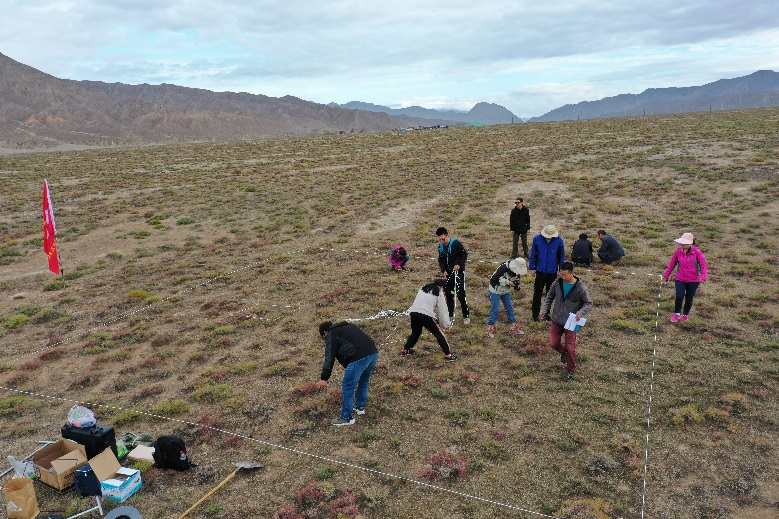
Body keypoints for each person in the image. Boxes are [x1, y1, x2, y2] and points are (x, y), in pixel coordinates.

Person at [319, 321, 379, 426]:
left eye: (324, 337)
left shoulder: (332, 334)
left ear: (325, 332)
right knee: (363, 380)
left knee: (347, 386)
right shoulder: (348, 326)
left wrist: (324, 378)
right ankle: (360, 406)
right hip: (373, 353)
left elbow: (329, 357)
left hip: (360, 358)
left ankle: (346, 417)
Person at [539, 262, 592, 382]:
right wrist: (544, 309)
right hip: (557, 319)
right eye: (560, 274)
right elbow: (549, 297)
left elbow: (588, 303)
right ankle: (564, 352)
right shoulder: (557, 283)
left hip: (572, 321)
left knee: (571, 347)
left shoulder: (581, 287)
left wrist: (581, 312)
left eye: (565, 275)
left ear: (572, 273)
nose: (563, 277)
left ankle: (570, 370)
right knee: (553, 343)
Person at [401, 279, 458, 362]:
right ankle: (448, 355)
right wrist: (446, 325)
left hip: (413, 312)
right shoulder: (439, 292)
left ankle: (405, 350)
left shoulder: (423, 287)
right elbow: (442, 310)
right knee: (439, 334)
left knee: (415, 333)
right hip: (426, 315)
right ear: (442, 287)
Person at [663, 232, 708, 323]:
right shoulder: (678, 252)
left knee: (689, 297)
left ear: (691, 243)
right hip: (680, 278)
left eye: (685, 242)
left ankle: (685, 314)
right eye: (682, 242)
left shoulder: (697, 252)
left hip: (693, 279)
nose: (683, 244)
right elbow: (672, 264)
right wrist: (667, 274)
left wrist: (703, 275)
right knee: (679, 296)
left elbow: (703, 264)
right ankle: (677, 314)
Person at [528, 224, 566, 322]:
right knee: (537, 293)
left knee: (550, 294)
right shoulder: (537, 239)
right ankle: (535, 314)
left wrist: (561, 270)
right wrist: (532, 267)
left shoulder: (559, 241)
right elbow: (533, 254)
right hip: (540, 271)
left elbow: (561, 257)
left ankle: (546, 313)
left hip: (552, 272)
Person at [436, 227, 470, 325]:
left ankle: (466, 315)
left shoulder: (456, 244)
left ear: (448, 236)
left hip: (458, 273)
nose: (442, 241)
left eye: (443, 238)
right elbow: (440, 260)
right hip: (449, 274)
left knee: (460, 295)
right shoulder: (440, 247)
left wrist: (459, 264)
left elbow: (464, 255)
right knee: (449, 295)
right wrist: (443, 270)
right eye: (440, 239)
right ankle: (450, 315)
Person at [486, 258, 528, 338]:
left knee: (509, 307)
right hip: (495, 290)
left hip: (505, 291)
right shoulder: (503, 268)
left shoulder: (517, 273)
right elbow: (494, 279)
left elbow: (516, 281)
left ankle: (513, 325)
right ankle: (489, 328)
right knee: (495, 309)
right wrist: (507, 282)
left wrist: (515, 285)